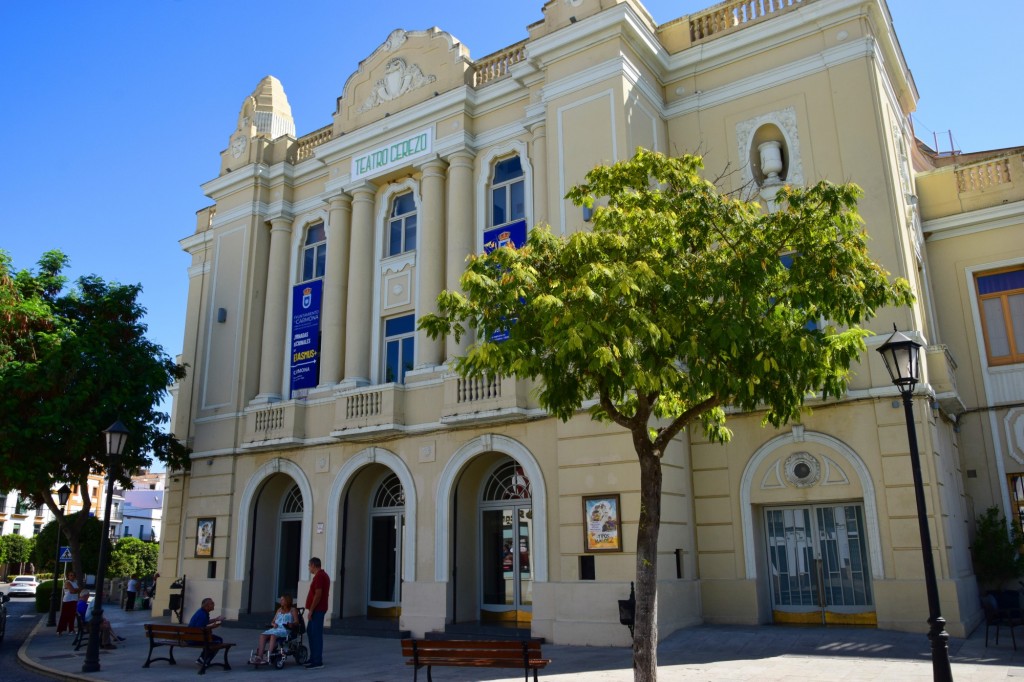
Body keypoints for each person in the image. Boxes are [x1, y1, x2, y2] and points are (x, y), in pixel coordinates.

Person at [250, 594, 299, 665]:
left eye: (282, 600)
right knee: (262, 635)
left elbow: (297, 622)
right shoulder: (279, 610)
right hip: (276, 628)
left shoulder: (293, 610)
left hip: (285, 629)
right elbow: (273, 621)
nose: (280, 601)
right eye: (281, 600)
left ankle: (269, 656)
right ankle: (260, 656)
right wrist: (274, 624)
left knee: (273, 635)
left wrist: (292, 624)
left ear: (287, 601)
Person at [304, 557, 330, 670]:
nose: (309, 568)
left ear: (314, 565)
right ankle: (313, 657)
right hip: (317, 610)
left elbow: (318, 595)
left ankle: (317, 661)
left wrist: (311, 610)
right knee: (310, 632)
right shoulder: (322, 576)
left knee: (316, 634)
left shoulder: (320, 576)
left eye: (309, 565)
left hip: (317, 610)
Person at [188, 597, 225, 666]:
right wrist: (212, 626)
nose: (214, 605)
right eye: (212, 603)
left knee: (215, 639)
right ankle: (204, 660)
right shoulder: (203, 614)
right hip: (195, 638)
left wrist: (216, 619)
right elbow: (200, 628)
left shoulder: (202, 612)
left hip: (192, 636)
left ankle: (202, 659)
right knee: (218, 641)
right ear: (207, 606)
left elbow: (204, 623)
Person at [56, 570, 80, 635]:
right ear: (68, 576)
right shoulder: (67, 582)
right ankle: (60, 630)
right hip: (67, 601)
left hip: (74, 600)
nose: (72, 576)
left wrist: (76, 590)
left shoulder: (75, 583)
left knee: (72, 616)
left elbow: (78, 590)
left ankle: (71, 630)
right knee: (64, 616)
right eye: (70, 575)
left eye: (73, 575)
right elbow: (72, 591)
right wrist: (76, 590)